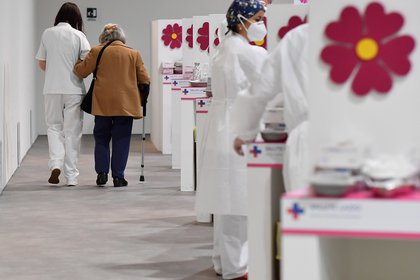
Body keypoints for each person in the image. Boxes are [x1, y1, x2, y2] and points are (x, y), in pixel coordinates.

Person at [195, 1, 267, 279]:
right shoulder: (250, 53)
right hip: (238, 127)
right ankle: (237, 268)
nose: (262, 24)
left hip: (220, 127)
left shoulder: (224, 48)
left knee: (224, 202)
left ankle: (223, 262)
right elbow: (269, 86)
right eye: (259, 18)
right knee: (239, 201)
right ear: (242, 20)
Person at [232, 23, 310, 192]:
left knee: (308, 212)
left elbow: (261, 88)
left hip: (307, 144)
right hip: (364, 147)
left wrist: (246, 132)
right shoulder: (372, 35)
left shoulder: (297, 38)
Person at [74, 24, 150, 187]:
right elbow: (145, 79)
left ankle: (102, 173)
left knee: (101, 137)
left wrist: (77, 60)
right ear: (121, 37)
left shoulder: (97, 51)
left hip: (102, 103)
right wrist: (142, 99)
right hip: (126, 104)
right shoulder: (133, 53)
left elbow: (81, 71)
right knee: (121, 139)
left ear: (103, 37)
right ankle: (118, 177)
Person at [36, 2, 90, 186]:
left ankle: (55, 164)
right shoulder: (79, 35)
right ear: (77, 18)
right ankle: (72, 176)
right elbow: (86, 64)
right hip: (74, 89)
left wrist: (54, 73)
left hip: (51, 88)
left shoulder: (47, 33)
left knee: (53, 127)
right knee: (73, 132)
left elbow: (42, 63)